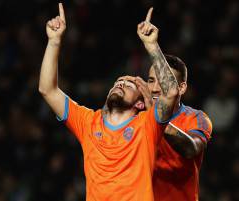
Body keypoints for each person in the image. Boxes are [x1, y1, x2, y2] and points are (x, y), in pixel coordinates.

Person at [39, 3, 178, 201]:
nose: (119, 84)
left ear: (139, 104)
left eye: (128, 85)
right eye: (117, 82)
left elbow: (171, 91)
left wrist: (151, 45)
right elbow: (47, 90)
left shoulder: (147, 126)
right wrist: (53, 41)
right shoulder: (88, 122)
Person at [136, 35, 213, 201]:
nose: (155, 89)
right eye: (151, 81)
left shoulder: (196, 118)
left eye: (164, 82)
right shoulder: (136, 118)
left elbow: (191, 148)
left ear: (182, 87)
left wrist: (157, 118)